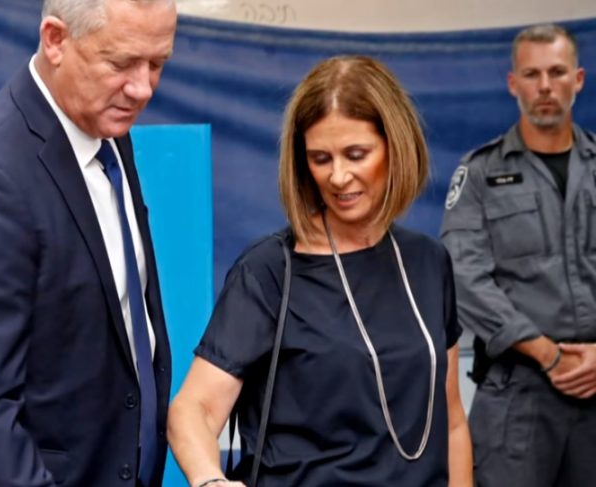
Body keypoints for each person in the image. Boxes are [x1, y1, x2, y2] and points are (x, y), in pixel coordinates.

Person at [0, 0, 177, 486]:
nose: (142, 88)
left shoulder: (104, 128)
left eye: (158, 63)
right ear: (55, 40)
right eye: (121, 63)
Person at [168, 56, 472, 487]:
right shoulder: (270, 271)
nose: (339, 176)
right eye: (320, 158)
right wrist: (209, 480)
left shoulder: (428, 261)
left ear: (396, 147)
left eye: (356, 155)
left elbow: (452, 420)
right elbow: (192, 409)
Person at [440, 23, 596, 487]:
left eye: (557, 72)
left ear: (578, 79)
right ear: (513, 83)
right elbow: (463, 276)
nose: (545, 86)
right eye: (532, 74)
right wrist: (547, 353)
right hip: (519, 392)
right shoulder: (480, 174)